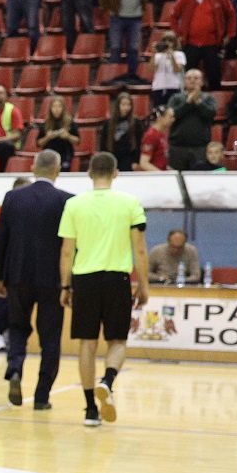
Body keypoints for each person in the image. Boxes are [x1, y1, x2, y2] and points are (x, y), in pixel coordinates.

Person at [59, 153, 151, 428]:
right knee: (117, 341)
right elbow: (140, 249)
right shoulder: (130, 202)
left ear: (89, 173)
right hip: (117, 279)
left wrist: (65, 285)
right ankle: (107, 381)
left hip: (84, 280)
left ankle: (90, 410)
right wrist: (143, 284)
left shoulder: (74, 204)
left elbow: (67, 251)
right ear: (116, 173)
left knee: (87, 344)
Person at [0, 151, 72, 409]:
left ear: (33, 167)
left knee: (17, 327)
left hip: (17, 275)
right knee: (50, 337)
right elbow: (71, 246)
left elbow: (1, 240)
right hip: (53, 279)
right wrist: (69, 282)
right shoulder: (67, 200)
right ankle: (41, 396)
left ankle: (15, 368)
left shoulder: (12, 198)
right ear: (58, 170)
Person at [167, 0, 237, 91]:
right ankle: (187, 97)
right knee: (188, 74)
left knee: (214, 73)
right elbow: (173, 16)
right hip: (190, 43)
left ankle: (214, 97)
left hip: (212, 43)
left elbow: (231, 15)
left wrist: (230, 34)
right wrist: (178, 34)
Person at [165, 68, 218, 170]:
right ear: (184, 81)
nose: (192, 81)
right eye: (189, 78)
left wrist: (198, 102)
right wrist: (187, 103)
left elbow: (211, 113)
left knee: (199, 177)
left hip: (200, 147)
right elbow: (172, 115)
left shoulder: (208, 98)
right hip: (178, 148)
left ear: (202, 81)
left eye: (196, 78)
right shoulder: (176, 98)